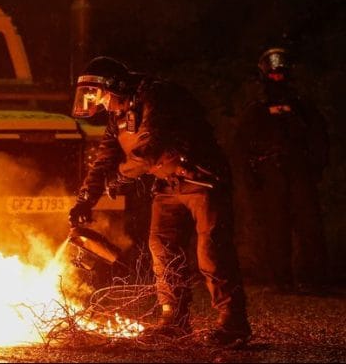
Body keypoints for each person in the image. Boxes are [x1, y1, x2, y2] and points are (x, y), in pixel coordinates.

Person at [68, 56, 251, 347]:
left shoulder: (156, 96)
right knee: (162, 247)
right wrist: (84, 202)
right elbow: (103, 161)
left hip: (201, 179)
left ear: (114, 87)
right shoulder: (118, 117)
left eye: (99, 95)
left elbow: (150, 150)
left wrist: (119, 176)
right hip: (168, 184)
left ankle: (233, 324)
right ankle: (173, 320)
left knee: (212, 250)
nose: (98, 104)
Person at [233, 47, 329, 294]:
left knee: (309, 226)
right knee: (275, 228)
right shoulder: (255, 109)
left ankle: (313, 280)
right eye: (272, 73)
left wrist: (316, 166)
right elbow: (242, 147)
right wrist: (251, 177)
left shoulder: (302, 106)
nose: (277, 77)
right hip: (270, 174)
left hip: (299, 171)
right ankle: (280, 281)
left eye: (281, 72)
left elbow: (319, 137)